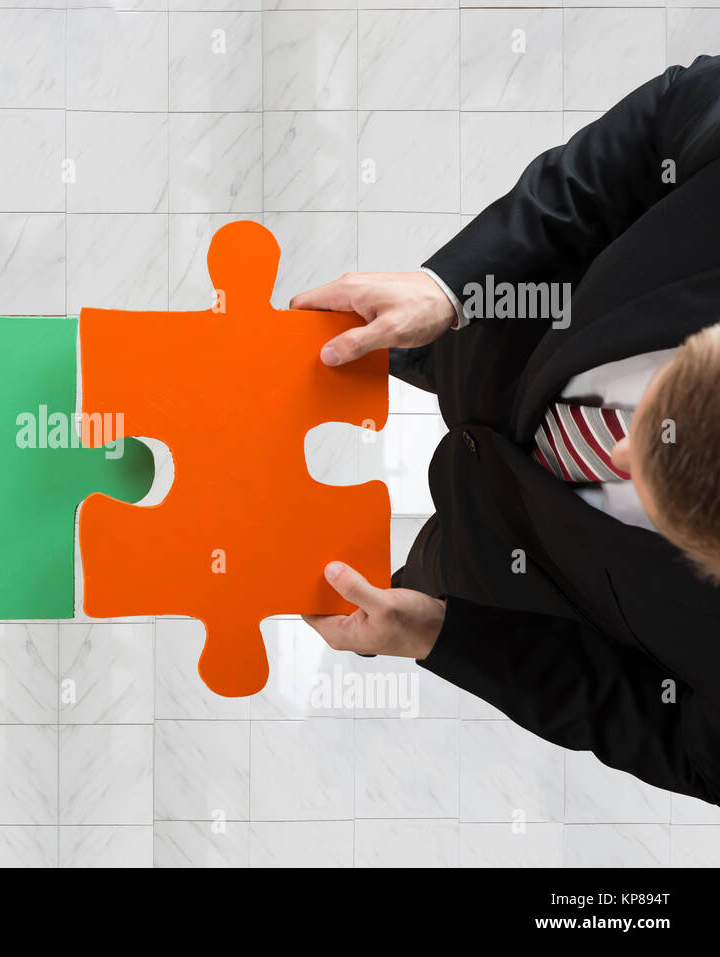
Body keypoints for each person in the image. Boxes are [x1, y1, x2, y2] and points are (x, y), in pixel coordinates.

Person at [295, 53, 720, 804]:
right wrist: (451, 285)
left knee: (319, 579)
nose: (619, 452)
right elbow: (667, 116)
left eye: (662, 508)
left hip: (523, 575)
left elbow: (681, 743)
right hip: (520, 329)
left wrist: (434, 634)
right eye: (657, 401)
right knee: (308, 352)